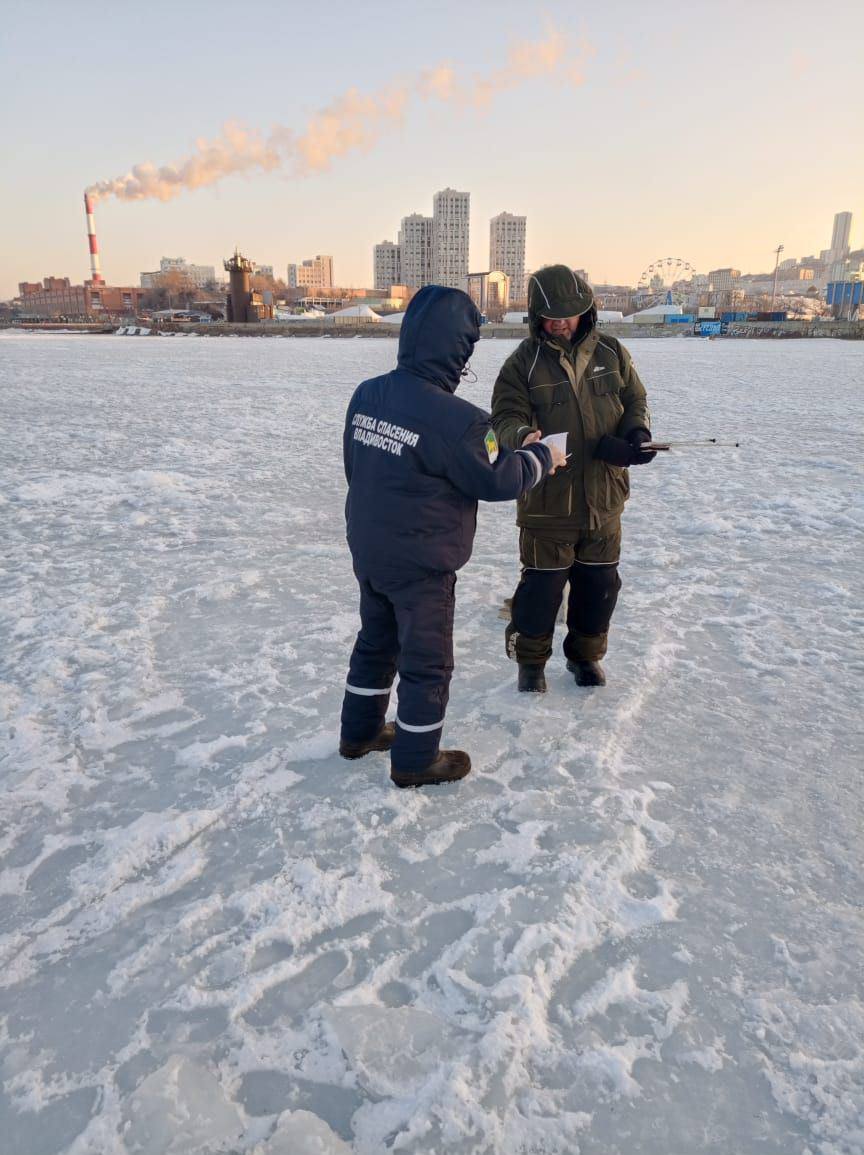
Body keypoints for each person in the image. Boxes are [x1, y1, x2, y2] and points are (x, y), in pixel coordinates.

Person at [339, 285, 565, 788]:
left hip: (370, 549)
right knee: (426, 661)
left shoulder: (367, 394)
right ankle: (417, 759)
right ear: (458, 347)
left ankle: (360, 732)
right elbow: (500, 479)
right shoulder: (462, 422)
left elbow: (356, 466)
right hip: (422, 563)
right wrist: (543, 458)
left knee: (376, 641)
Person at [491, 265, 656, 693]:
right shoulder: (522, 365)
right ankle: (531, 661)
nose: (560, 321)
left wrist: (635, 436)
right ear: (535, 315)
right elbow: (503, 419)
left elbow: (635, 399)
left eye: (570, 312)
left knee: (598, 586)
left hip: (604, 499)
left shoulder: (612, 353)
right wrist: (523, 435)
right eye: (551, 314)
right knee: (541, 590)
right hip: (549, 500)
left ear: (586, 310)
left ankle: (585, 655)